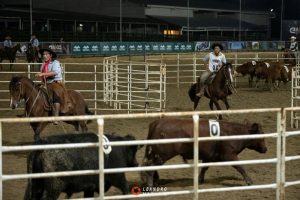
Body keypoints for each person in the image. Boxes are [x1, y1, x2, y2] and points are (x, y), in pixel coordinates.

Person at [35, 48, 72, 124]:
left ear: (50, 55)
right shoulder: (43, 64)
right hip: (46, 83)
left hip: (56, 83)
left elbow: (54, 72)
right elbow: (43, 73)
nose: (44, 56)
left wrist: (43, 74)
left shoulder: (55, 62)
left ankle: (56, 116)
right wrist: (41, 76)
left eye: (46, 54)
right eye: (43, 54)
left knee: (55, 96)